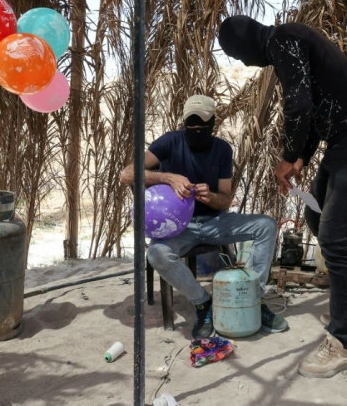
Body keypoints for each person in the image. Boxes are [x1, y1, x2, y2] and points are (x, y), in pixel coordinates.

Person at [218, 16, 347, 378]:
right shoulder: (289, 42)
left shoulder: (284, 40)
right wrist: (299, 159)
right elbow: (313, 113)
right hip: (346, 140)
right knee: (317, 218)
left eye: (240, 57)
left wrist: (286, 154)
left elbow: (299, 105)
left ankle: (343, 344)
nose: (247, 65)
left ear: (246, 45)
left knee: (334, 237)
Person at [119, 94, 288, 339]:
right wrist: (167, 177)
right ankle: (203, 302)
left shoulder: (222, 149)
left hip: (215, 222)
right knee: (156, 253)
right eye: (191, 125)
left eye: (202, 126)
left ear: (213, 124)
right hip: (178, 228)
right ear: (184, 122)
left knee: (267, 226)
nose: (196, 129)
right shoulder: (169, 142)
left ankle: (253, 298)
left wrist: (211, 197)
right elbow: (127, 174)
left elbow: (226, 199)